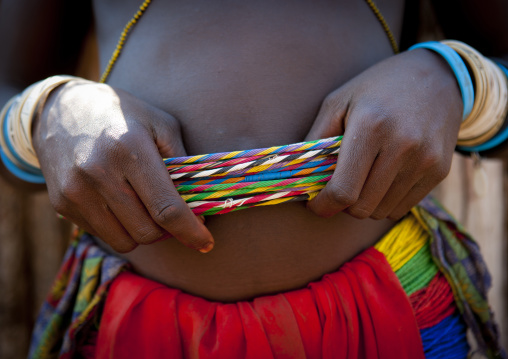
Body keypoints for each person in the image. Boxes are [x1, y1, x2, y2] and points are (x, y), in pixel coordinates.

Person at [0, 0, 506, 358]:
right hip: (132, 325)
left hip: (390, 305)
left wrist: (450, 79)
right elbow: (8, 85)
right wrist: (49, 115)